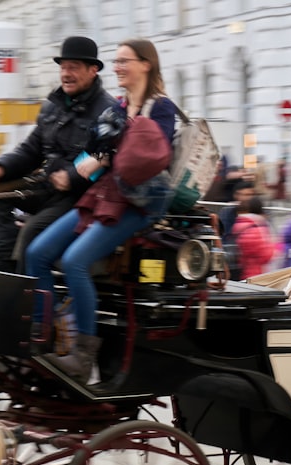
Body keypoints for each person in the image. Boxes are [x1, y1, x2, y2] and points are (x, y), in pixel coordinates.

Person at [26, 38, 177, 383]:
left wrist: (103, 158)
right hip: (106, 195)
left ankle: (82, 357)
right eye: (117, 61)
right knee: (37, 253)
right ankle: (43, 338)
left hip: (140, 203)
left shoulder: (161, 107)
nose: (119, 67)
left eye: (125, 61)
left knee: (75, 260)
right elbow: (91, 156)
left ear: (146, 65)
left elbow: (151, 158)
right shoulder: (118, 108)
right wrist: (74, 169)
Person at [0, 36, 117, 273]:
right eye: (63, 67)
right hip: (47, 188)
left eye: (74, 68)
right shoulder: (52, 106)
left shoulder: (108, 111)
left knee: (31, 232)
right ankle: (4, 259)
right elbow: (31, 149)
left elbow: (101, 156)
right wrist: (1, 167)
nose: (66, 74)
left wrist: (71, 176)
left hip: (77, 198)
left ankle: (25, 299)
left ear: (93, 70)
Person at [230, 196, 275, 280]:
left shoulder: (239, 225)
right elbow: (267, 255)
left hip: (241, 271)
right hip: (256, 274)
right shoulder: (257, 228)